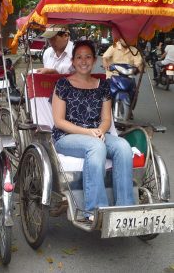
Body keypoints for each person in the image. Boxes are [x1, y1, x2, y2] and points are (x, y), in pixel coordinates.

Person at [52, 40, 135, 220]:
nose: (84, 61)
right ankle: (96, 210)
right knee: (96, 147)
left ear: (94, 59)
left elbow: (106, 119)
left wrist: (99, 130)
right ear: (73, 61)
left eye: (88, 57)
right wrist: (89, 133)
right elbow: (59, 121)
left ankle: (125, 208)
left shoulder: (102, 85)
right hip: (67, 137)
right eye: (79, 57)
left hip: (96, 134)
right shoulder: (63, 84)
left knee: (123, 146)